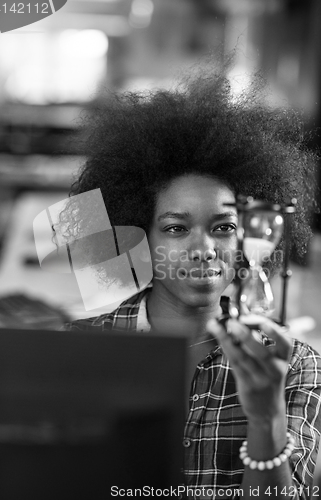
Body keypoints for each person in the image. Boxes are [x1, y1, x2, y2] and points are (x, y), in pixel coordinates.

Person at [61, 67, 321, 499]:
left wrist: (266, 419)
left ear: (249, 238)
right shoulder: (77, 351)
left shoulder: (294, 366)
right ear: (139, 235)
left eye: (222, 227)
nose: (203, 248)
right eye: (177, 229)